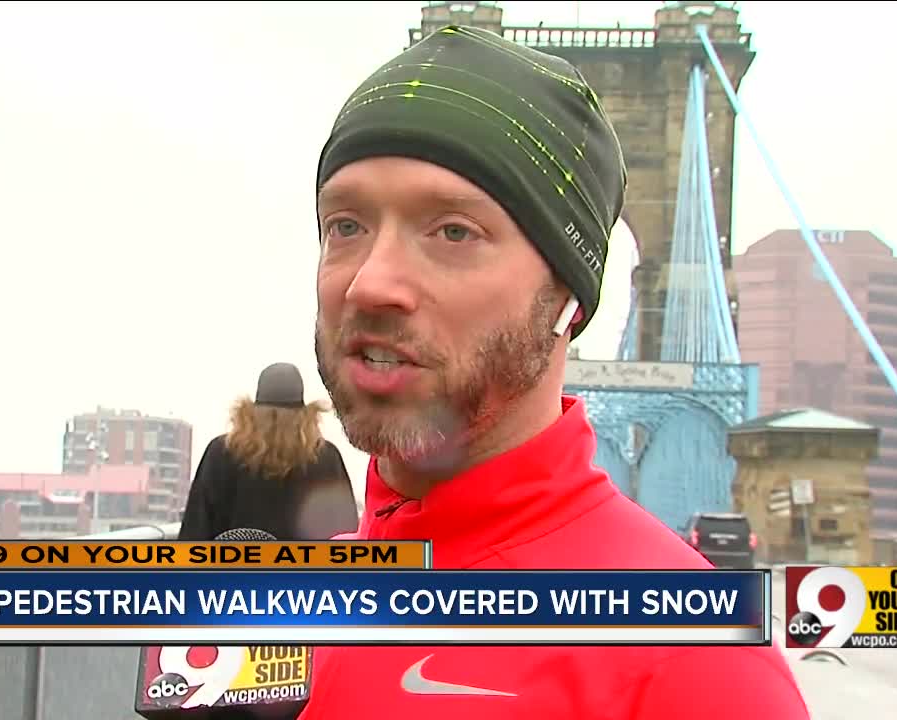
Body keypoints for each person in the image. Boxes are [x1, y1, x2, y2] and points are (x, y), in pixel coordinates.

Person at [301, 25, 810, 719]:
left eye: (453, 231)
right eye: (347, 225)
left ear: (568, 299)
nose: (369, 283)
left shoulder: (698, 663)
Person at [178, 362, 358, 542]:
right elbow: (346, 536)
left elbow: (195, 530)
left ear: (251, 413)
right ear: (305, 414)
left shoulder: (221, 453)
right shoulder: (325, 458)